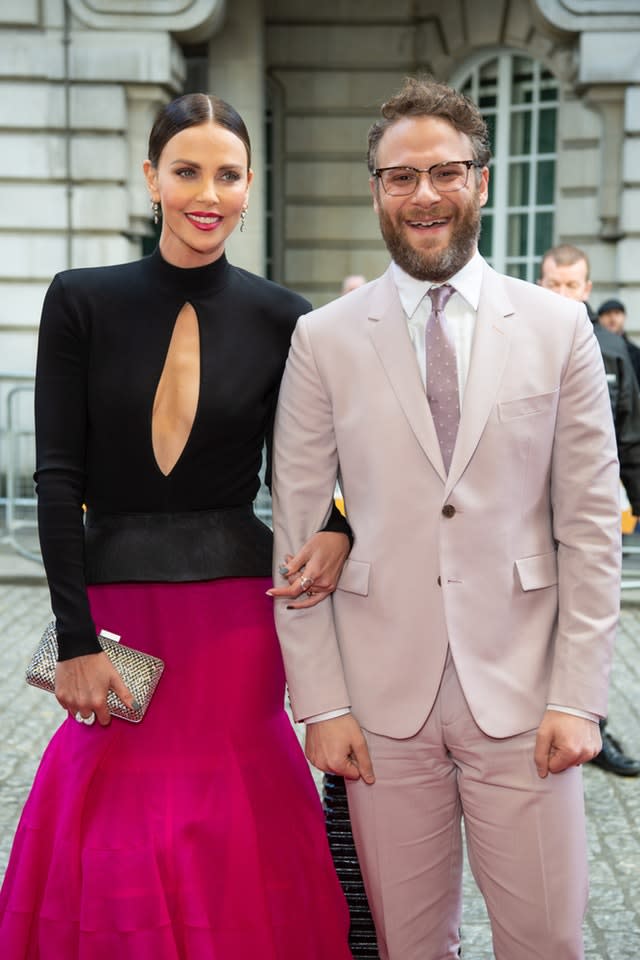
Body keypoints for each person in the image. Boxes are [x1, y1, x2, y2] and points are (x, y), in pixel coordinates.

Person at [270, 77, 622, 960]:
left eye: (445, 171)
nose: (423, 194)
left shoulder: (557, 328)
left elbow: (587, 525)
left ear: (483, 180)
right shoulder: (325, 338)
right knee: (408, 947)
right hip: (382, 707)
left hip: (527, 694)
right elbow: (298, 531)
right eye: (399, 177)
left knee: (546, 942)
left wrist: (581, 698)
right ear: (377, 189)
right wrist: (322, 705)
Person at [0, 93, 354, 959]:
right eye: (187, 170)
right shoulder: (80, 300)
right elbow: (58, 478)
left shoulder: (285, 316)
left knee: (233, 823)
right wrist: (77, 639)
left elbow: (313, 472)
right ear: (152, 177)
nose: (209, 192)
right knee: (115, 831)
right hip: (117, 614)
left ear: (248, 185)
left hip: (236, 621)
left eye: (227, 174)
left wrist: (342, 527)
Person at [540, 246, 640, 778]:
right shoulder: (523, 341)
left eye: (571, 286)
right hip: (531, 518)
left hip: (594, 512)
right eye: (552, 284)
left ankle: (595, 730)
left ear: (587, 289)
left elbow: (633, 437)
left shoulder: (615, 351)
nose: (562, 295)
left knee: (592, 625)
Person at [598, 297, 640, 386]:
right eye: (607, 314)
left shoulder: (635, 352)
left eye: (617, 313)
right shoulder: (594, 349)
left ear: (624, 317)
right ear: (599, 319)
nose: (612, 318)